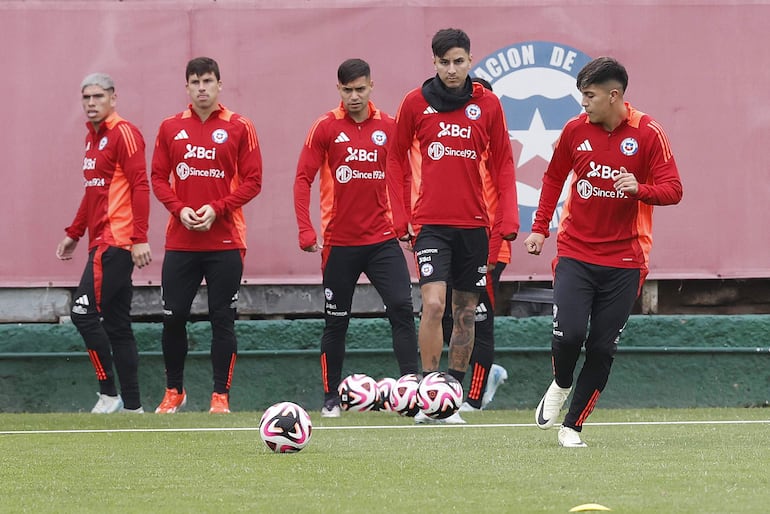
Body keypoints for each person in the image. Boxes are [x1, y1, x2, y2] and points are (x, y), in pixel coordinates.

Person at [525, 57, 683, 447]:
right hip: (576, 252)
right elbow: (552, 177)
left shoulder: (648, 133)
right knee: (568, 336)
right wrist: (539, 229)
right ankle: (561, 384)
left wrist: (640, 189)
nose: (583, 103)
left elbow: (674, 189)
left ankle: (573, 426)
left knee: (601, 346)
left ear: (614, 96)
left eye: (590, 96)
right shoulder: (575, 130)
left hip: (626, 260)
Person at [386, 28, 519, 424]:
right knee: (433, 304)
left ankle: (453, 397)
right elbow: (394, 160)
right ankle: (431, 391)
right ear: (434, 63)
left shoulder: (488, 104)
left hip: (474, 226)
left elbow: (503, 163)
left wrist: (508, 217)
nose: (452, 69)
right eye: (444, 62)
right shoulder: (415, 103)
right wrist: (399, 215)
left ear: (470, 60)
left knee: (465, 311)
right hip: (430, 224)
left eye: (459, 61)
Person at [293, 58, 419, 418]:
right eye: (347, 90)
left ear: (371, 86)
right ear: (338, 90)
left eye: (360, 89)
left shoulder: (390, 126)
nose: (354, 96)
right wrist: (306, 228)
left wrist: (404, 218)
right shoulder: (325, 127)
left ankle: (410, 390)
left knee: (401, 308)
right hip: (338, 244)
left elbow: (404, 177)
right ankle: (331, 397)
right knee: (336, 321)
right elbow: (303, 178)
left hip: (381, 241)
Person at [151, 57, 263, 414]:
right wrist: (178, 208)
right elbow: (156, 177)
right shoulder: (170, 127)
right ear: (186, 86)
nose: (202, 87)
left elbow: (253, 181)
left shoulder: (239, 126)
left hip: (225, 241)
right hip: (181, 241)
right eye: (195, 81)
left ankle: (220, 396)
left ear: (219, 85)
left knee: (222, 318)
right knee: (173, 316)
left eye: (208, 81)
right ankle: (174, 391)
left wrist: (217, 207)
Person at [56, 72, 152, 414]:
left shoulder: (124, 133)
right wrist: (74, 233)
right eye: (86, 98)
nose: (91, 103)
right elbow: (93, 191)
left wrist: (139, 237)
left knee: (82, 314)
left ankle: (109, 394)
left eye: (98, 97)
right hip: (99, 241)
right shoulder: (92, 139)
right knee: (116, 324)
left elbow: (141, 186)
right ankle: (134, 408)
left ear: (113, 97)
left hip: (116, 242)